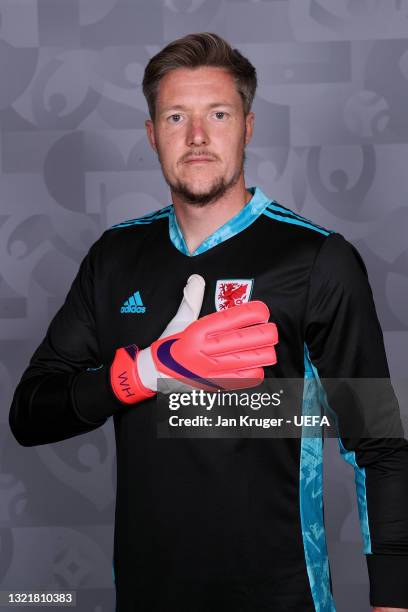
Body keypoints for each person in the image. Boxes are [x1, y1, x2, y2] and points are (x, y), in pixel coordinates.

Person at [9, 32, 408, 612]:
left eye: (217, 114)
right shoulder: (115, 258)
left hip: (280, 598)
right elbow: (30, 414)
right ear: (152, 134)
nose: (197, 136)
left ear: (247, 125)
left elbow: (380, 446)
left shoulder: (317, 260)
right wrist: (150, 370)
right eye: (176, 116)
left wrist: (393, 603)